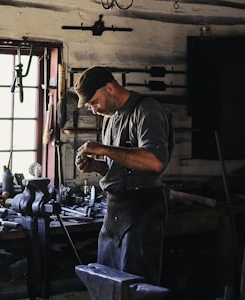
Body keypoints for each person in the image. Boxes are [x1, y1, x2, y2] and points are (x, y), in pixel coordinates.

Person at [74, 66, 173, 285]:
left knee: (135, 286)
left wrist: (104, 149)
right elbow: (121, 168)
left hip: (142, 210)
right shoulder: (111, 118)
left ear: (109, 88)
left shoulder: (146, 110)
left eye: (94, 102)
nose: (93, 110)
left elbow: (154, 161)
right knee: (107, 282)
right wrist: (96, 166)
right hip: (115, 212)